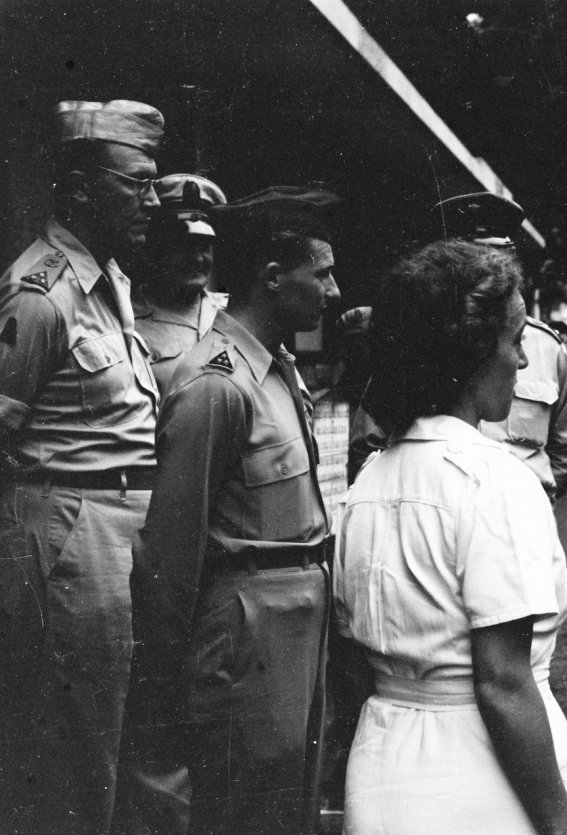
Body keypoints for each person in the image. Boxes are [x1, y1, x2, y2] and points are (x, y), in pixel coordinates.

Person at [335, 240, 567, 834]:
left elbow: (351, 661)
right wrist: (560, 826)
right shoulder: (494, 479)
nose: (523, 361)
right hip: (483, 779)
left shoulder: (369, 479)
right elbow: (503, 682)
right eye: (514, 341)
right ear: (474, 351)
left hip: (383, 767)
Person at [128, 186, 340, 833]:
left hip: (292, 628)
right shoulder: (217, 384)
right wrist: (164, 691)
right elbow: (170, 557)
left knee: (289, 808)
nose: (333, 291)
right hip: (244, 635)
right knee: (245, 812)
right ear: (273, 278)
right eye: (322, 274)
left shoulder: (275, 370)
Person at [0, 99, 163, 834]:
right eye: (137, 183)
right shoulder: (40, 293)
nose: (152, 201)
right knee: (74, 755)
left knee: (122, 744)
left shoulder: (109, 280)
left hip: (120, 534)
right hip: (70, 536)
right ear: (79, 189)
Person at [347, 192, 567, 498]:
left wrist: (530, 499)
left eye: (496, 266)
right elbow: (368, 442)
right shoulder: (421, 341)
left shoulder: (548, 348)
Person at [132, 173, 229, 395]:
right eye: (183, 247)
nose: (197, 258)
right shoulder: (128, 321)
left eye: (204, 247)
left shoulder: (235, 313)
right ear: (153, 249)